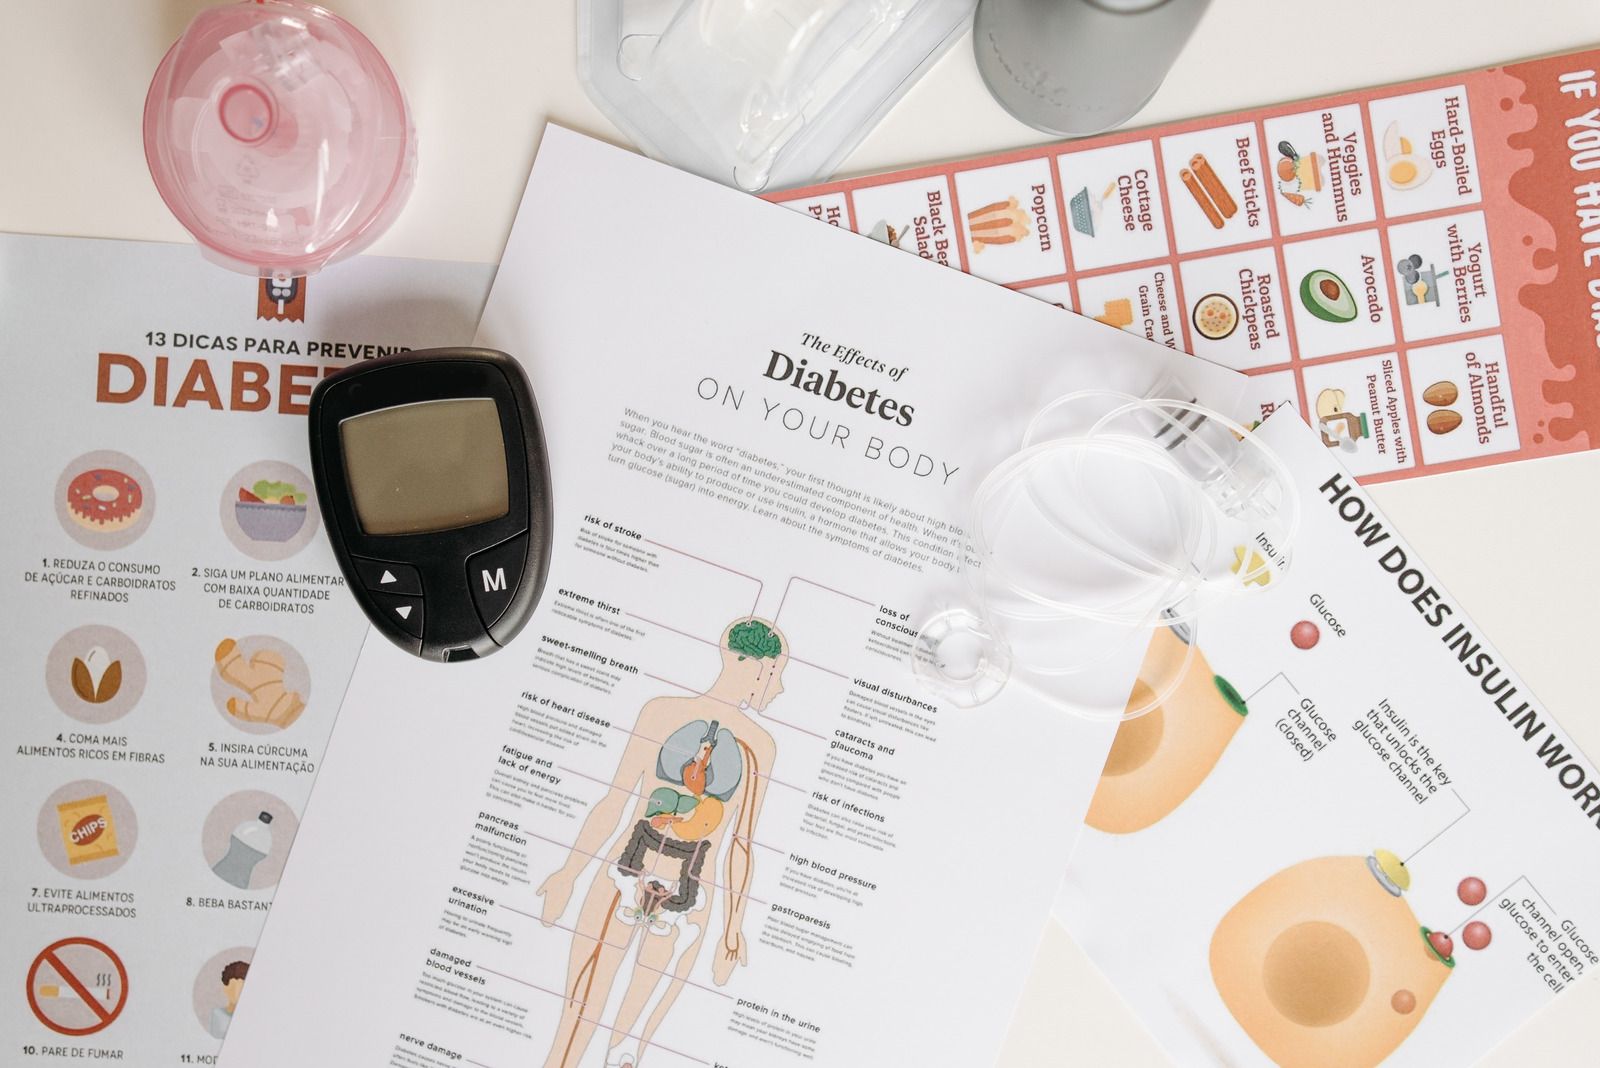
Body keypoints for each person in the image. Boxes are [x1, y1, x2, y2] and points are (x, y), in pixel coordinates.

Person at [537, 618, 784, 1068]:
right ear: (742, 660)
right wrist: (567, 873)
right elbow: (615, 801)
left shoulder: (759, 747)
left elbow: (741, 844)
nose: (779, 686)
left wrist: (733, 926)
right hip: (624, 869)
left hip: (691, 893)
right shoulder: (660, 712)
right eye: (774, 672)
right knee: (577, 1007)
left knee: (631, 1037)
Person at [208, 959, 249, 1038]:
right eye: (233, 988)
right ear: (226, 989)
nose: (237, 993)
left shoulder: (252, 1016)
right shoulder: (218, 1014)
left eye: (241, 989)